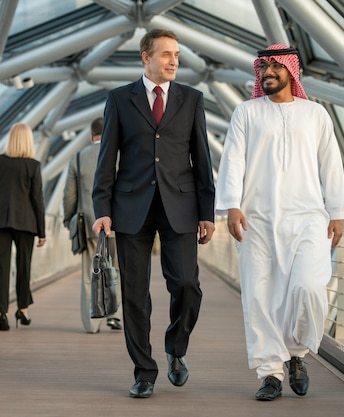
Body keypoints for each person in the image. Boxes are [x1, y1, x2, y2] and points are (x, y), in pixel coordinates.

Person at [214, 44, 344, 401]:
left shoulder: (315, 114)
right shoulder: (246, 112)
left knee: (308, 287)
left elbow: (331, 164)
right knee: (260, 296)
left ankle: (296, 353)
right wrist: (231, 205)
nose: (268, 72)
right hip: (256, 219)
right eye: (264, 67)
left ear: (293, 71)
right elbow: (233, 161)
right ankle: (270, 371)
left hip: (308, 219)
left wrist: (338, 211)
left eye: (276, 67)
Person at [92, 29, 216, 399]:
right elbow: (106, 159)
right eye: (165, 54)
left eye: (176, 54)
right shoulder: (119, 99)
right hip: (131, 208)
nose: (174, 60)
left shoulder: (192, 99)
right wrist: (102, 209)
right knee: (135, 294)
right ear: (145, 58)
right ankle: (144, 370)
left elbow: (202, 160)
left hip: (181, 205)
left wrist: (207, 213)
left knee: (186, 286)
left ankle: (176, 347)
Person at [0, 123, 46, 331]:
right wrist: (42, 232)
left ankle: (2, 314)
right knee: (23, 267)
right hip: (25, 222)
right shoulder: (33, 166)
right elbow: (37, 200)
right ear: (29, 140)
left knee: (1, 268)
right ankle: (23, 310)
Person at [63, 117, 123, 334]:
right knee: (117, 270)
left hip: (89, 223)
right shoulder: (121, 156)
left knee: (91, 272)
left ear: (91, 136)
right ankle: (115, 316)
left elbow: (69, 194)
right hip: (119, 224)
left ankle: (92, 322)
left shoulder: (78, 158)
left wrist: (68, 218)